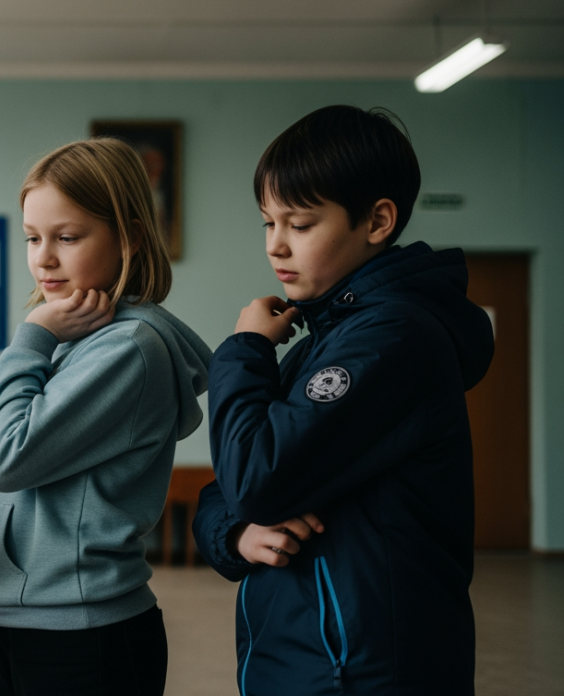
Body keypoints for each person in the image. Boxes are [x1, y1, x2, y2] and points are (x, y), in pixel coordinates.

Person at [192, 105, 495, 696]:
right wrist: (237, 533)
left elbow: (256, 476)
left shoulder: (392, 338)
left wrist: (245, 347)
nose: (276, 246)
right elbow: (225, 487)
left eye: (299, 224)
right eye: (267, 223)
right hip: (313, 656)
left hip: (360, 671)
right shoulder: (329, 336)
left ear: (377, 220)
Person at [0, 139, 212, 696]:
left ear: (130, 237)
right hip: (21, 622)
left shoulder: (126, 351)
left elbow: (4, 462)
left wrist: (31, 337)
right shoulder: (74, 340)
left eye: (67, 238)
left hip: (82, 635)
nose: (43, 257)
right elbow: (13, 504)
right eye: (32, 238)